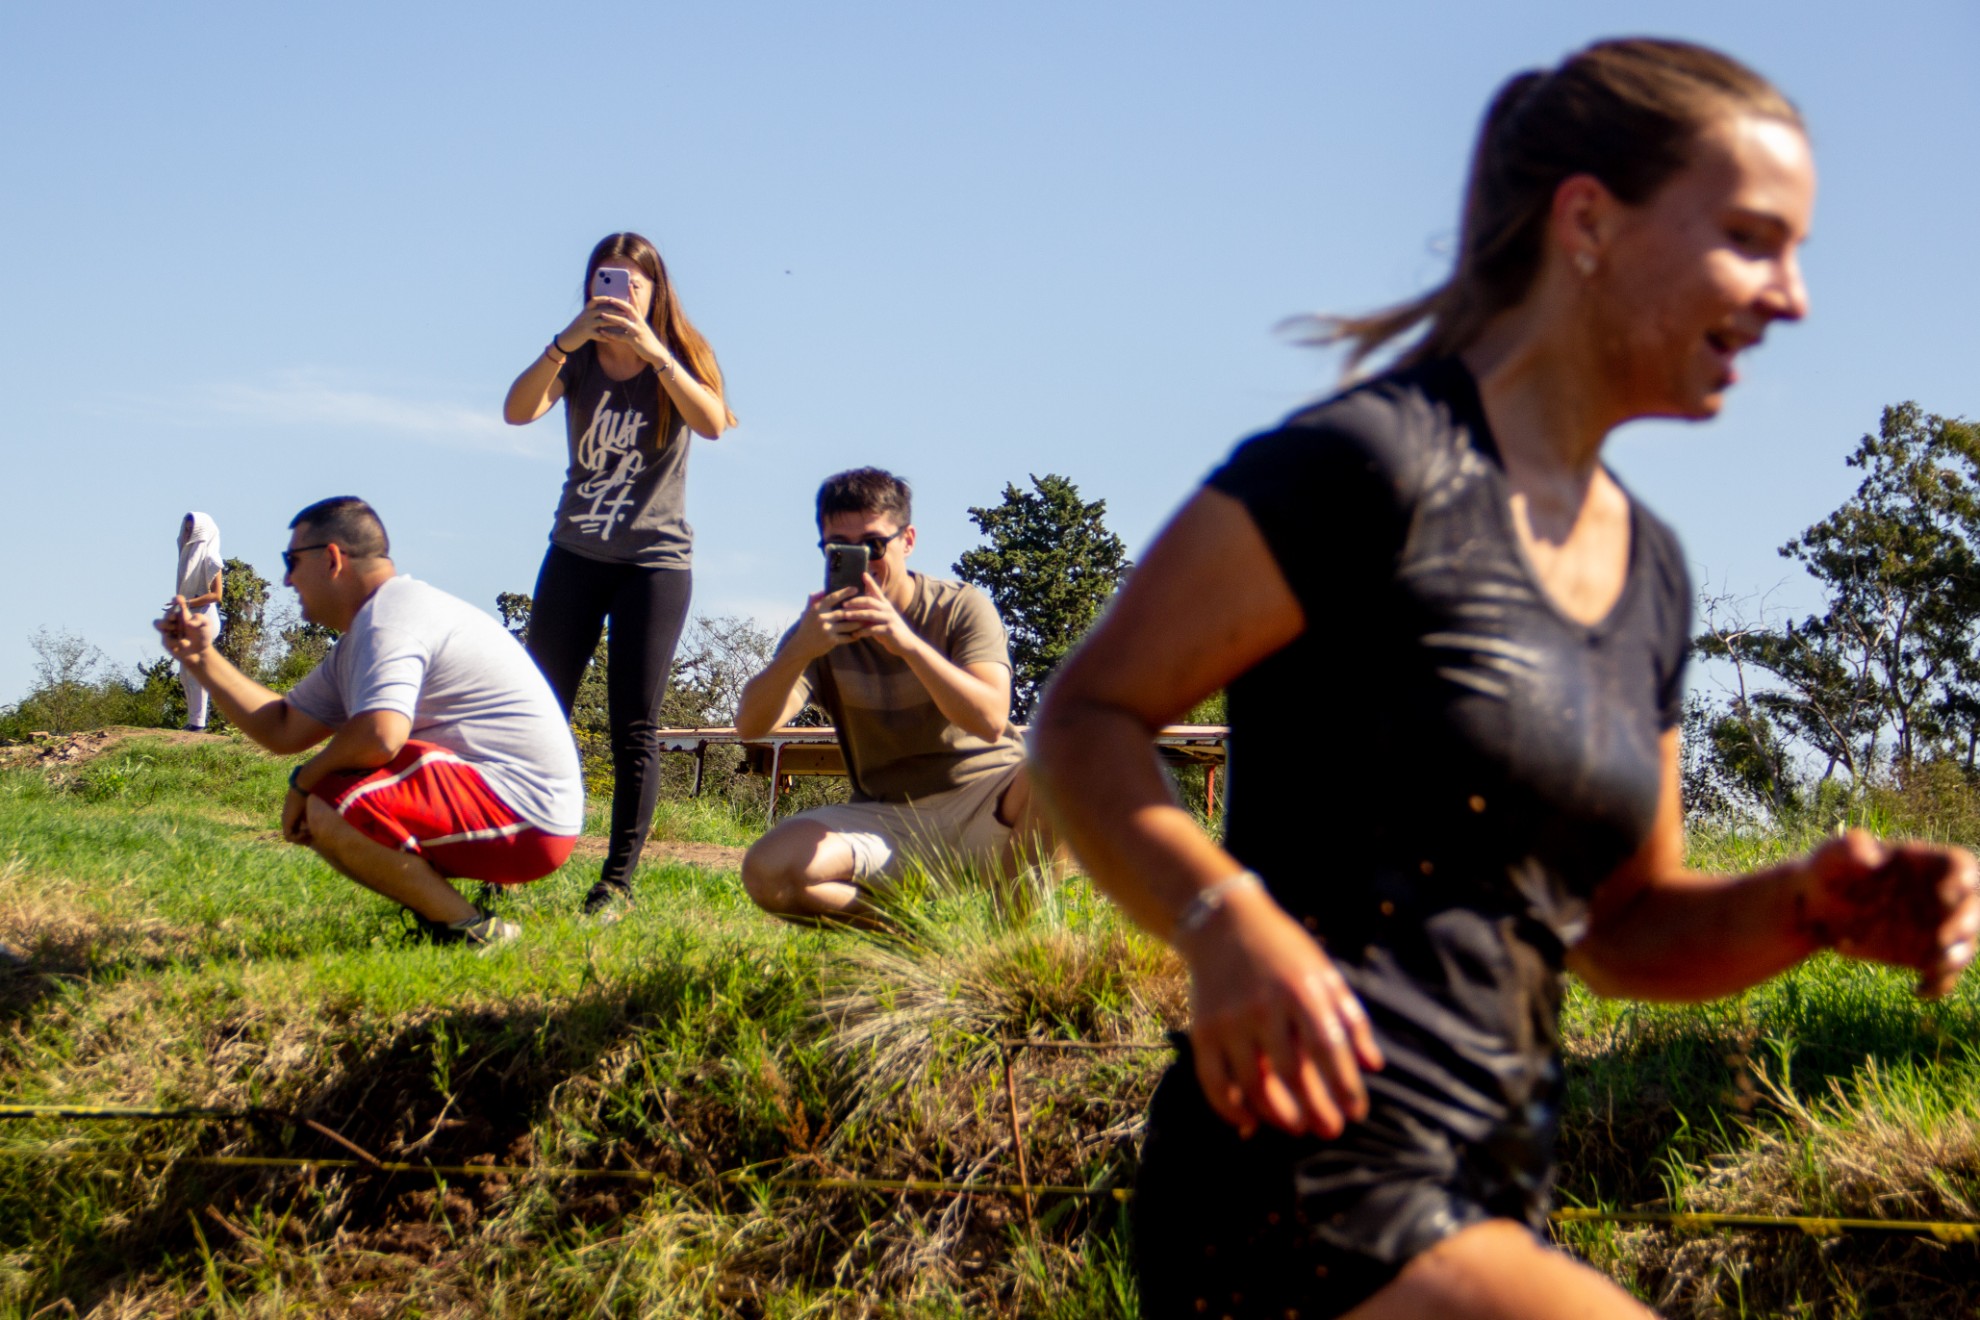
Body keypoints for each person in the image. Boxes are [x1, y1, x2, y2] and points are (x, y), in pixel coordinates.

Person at [1029, 38, 1980, 1320]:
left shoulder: (1650, 568)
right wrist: (1220, 921)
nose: (1794, 294)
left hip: (1497, 1193)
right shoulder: (1367, 469)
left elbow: (1622, 928)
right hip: (1298, 1187)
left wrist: (1808, 907)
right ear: (1587, 221)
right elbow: (1089, 716)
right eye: (1754, 238)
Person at [156, 497, 584, 948]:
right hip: (517, 811)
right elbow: (283, 727)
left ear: (332, 558)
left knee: (332, 800)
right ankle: (454, 925)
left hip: (530, 816)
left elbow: (381, 734)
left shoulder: (391, 620)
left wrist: (304, 783)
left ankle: (473, 932)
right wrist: (201, 658)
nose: (286, 578)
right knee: (333, 793)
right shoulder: (370, 630)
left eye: (292, 561)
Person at [503, 232, 737, 920]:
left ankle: (616, 884)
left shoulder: (684, 356)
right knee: (538, 712)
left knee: (633, 725)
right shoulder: (574, 361)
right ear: (589, 286)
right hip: (574, 554)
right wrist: (565, 341)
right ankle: (504, 864)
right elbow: (517, 410)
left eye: (634, 284)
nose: (621, 295)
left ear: (657, 292)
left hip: (654, 564)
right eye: (608, 281)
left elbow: (714, 423)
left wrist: (659, 354)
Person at [735, 468, 1057, 923]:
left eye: (873, 545)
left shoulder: (960, 607)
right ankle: (919, 942)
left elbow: (988, 718)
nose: (861, 561)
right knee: (770, 871)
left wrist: (905, 643)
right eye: (840, 548)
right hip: (888, 820)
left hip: (988, 805)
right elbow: (750, 725)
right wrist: (801, 650)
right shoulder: (819, 631)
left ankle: (1012, 944)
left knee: (1062, 764)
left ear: (908, 540)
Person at [171, 512, 224, 732]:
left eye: (193, 528)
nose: (188, 532)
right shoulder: (187, 558)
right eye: (186, 528)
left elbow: (216, 595)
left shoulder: (211, 559)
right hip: (191, 614)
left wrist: (188, 602)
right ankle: (194, 720)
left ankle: (198, 723)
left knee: (194, 670)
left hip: (204, 616)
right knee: (185, 672)